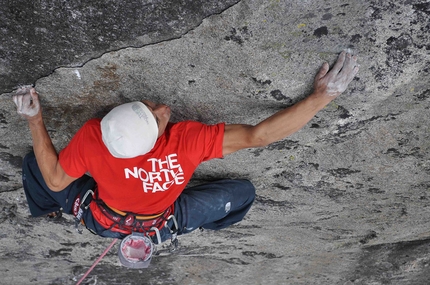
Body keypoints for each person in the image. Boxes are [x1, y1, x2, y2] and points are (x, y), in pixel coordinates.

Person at [13, 51, 359, 246]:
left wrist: (34, 118)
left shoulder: (92, 139)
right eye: (157, 120)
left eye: (147, 107)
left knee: (36, 165)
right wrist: (322, 98)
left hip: (103, 219)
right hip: (164, 221)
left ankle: (47, 209)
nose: (163, 110)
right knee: (243, 193)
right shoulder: (186, 143)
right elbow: (259, 136)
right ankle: (195, 224)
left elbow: (57, 180)